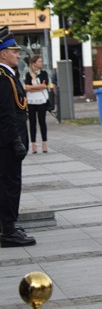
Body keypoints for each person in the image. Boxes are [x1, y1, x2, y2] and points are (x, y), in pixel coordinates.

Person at [0, 26, 36, 247]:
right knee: (10, 185)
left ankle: (7, 225)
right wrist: (15, 141)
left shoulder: (8, 75)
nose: (18, 54)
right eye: (14, 51)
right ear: (3, 53)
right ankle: (8, 229)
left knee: (7, 184)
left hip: (9, 141)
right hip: (7, 143)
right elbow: (6, 113)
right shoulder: (3, 77)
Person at [23, 56, 49, 154]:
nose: (41, 63)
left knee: (42, 122)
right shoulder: (28, 74)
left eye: (41, 61)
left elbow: (45, 86)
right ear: (34, 63)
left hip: (41, 100)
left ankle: (44, 143)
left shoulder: (44, 74)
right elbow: (26, 87)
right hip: (31, 101)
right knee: (32, 122)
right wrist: (39, 87)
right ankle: (33, 144)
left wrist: (33, 87)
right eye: (39, 61)